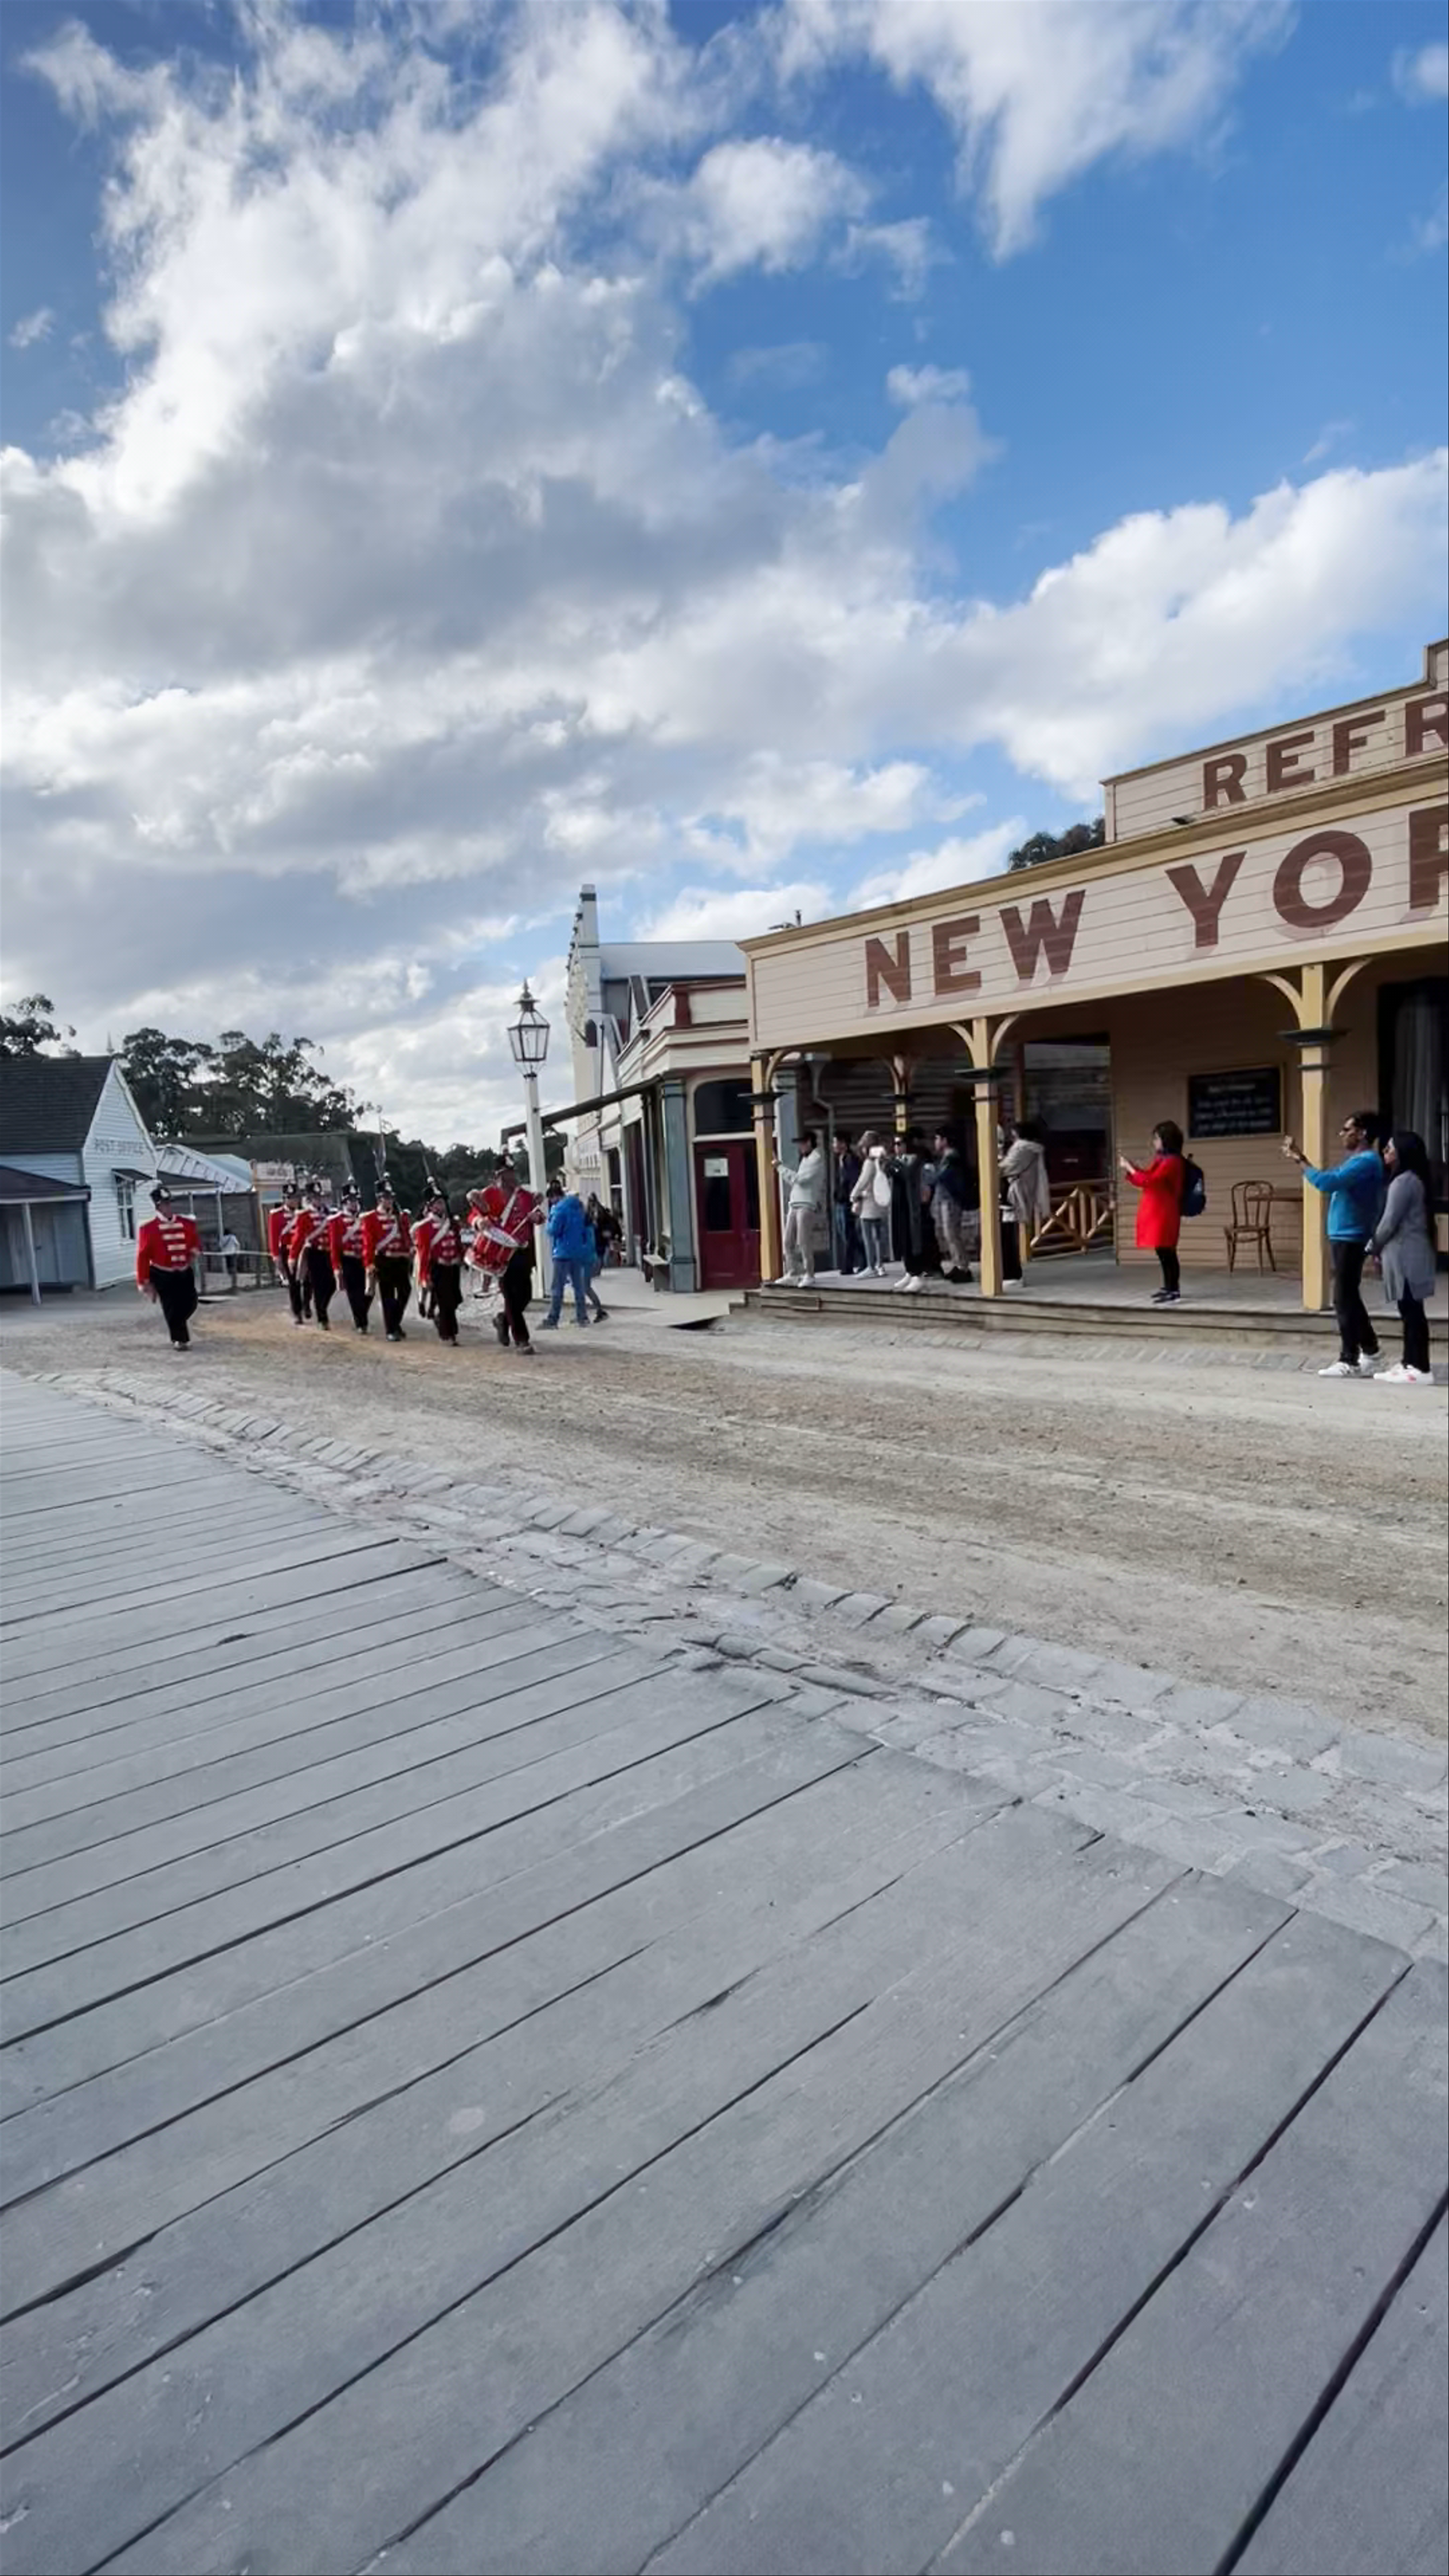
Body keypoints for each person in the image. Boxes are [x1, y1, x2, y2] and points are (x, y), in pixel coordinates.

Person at [1283, 1110, 1386, 1376]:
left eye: (1347, 1129)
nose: (1342, 1134)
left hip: (1353, 1236)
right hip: (1344, 1235)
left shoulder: (1366, 1162)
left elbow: (1328, 1183)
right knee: (1349, 1296)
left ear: (1362, 1133)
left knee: (1343, 1298)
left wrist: (1301, 1160)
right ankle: (1371, 1351)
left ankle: (1349, 1359)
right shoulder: (1356, 1161)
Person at [1368, 1130, 1437, 1384]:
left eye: (1390, 1147)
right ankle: (1410, 1362)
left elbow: (1389, 1222)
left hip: (1407, 1254)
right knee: (1408, 1309)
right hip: (1410, 1252)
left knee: (1412, 1311)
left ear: (1403, 1152)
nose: (1385, 1151)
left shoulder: (1403, 1182)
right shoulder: (1411, 1180)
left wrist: (1373, 1247)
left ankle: (1421, 1367)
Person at [473, 1174, 542, 1354]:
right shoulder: (489, 1194)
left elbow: (540, 1215)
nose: (512, 1177)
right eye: (507, 1173)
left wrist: (537, 1218)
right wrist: (479, 1222)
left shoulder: (525, 1196)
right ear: (499, 1176)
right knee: (510, 1297)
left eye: (512, 1172)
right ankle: (522, 1340)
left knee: (525, 1295)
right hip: (501, 1253)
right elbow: (474, 1215)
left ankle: (503, 1320)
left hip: (523, 1251)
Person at [1120, 1120, 1186, 1304]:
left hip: (1165, 1212)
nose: (1154, 1142)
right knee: (1162, 1250)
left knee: (1167, 1251)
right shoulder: (1162, 1159)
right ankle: (1168, 1286)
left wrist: (1130, 1168)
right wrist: (1133, 1170)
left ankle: (1174, 1289)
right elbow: (1147, 1179)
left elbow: (1151, 1182)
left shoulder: (1173, 1162)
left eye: (1157, 1138)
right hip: (1158, 1210)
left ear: (1167, 1140)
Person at [135, 1184, 202, 1350]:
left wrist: (194, 1252)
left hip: (184, 1272)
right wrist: (144, 1281)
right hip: (162, 1274)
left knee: (191, 1303)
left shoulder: (187, 1223)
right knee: (171, 1306)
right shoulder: (148, 1228)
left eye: (170, 1203)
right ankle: (180, 1340)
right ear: (158, 1207)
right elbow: (143, 1256)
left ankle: (179, 1331)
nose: (169, 1207)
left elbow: (195, 1243)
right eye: (165, 1204)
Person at [1001, 1118, 1052, 1278]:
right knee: (1009, 1236)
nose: (1012, 1136)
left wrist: (996, 1160)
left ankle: (1012, 1274)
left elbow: (1006, 1168)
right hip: (1019, 1193)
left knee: (1008, 1237)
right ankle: (1011, 1272)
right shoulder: (1031, 1149)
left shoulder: (1022, 1149)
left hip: (1013, 1195)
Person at [361, 1186, 413, 1341]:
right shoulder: (371, 1218)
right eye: (386, 1198)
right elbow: (368, 1243)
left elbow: (406, 1236)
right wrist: (369, 1263)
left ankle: (395, 1322)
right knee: (388, 1295)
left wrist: (410, 1248)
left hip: (401, 1259)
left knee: (406, 1291)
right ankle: (391, 1329)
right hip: (384, 1260)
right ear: (380, 1199)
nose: (390, 1201)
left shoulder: (400, 1217)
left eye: (391, 1198)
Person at [774, 1129, 825, 1285]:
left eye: (801, 1143)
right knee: (788, 1241)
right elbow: (796, 1181)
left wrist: (780, 1168)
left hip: (806, 1205)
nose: (799, 1147)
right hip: (795, 1204)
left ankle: (810, 1274)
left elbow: (801, 1180)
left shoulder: (816, 1158)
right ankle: (793, 1272)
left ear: (809, 1142)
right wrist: (783, 1170)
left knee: (803, 1241)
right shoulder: (806, 1159)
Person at [416, 1187, 465, 1344]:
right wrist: (425, 1276)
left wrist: (462, 1257)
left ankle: (441, 1321)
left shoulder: (452, 1223)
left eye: (443, 1202)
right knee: (445, 1302)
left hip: (453, 1267)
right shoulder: (424, 1227)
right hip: (438, 1268)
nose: (442, 1206)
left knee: (456, 1299)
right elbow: (424, 1254)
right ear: (430, 1207)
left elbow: (458, 1243)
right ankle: (449, 1334)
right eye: (438, 1203)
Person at [540, 1184, 594, 1327]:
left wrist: (548, 1221)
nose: (551, 1203)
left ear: (554, 1197)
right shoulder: (578, 1208)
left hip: (562, 1253)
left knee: (557, 1288)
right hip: (577, 1252)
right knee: (579, 1287)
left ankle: (553, 1319)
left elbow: (554, 1231)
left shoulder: (559, 1210)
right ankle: (582, 1317)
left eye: (551, 1200)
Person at [288, 1182, 336, 1330]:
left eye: (319, 1197)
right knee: (318, 1286)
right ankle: (323, 1318)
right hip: (314, 1253)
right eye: (315, 1197)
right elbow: (298, 1237)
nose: (318, 1200)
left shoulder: (329, 1213)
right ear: (309, 1199)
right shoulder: (304, 1215)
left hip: (328, 1252)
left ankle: (322, 1307)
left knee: (332, 1285)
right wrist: (293, 1257)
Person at [327, 1186, 372, 1333]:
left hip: (364, 1260)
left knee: (368, 1292)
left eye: (355, 1201)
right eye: (350, 1201)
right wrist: (336, 1267)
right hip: (348, 1259)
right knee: (354, 1293)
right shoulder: (337, 1221)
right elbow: (334, 1246)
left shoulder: (365, 1219)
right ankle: (361, 1323)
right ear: (345, 1203)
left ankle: (361, 1315)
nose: (353, 1204)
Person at [931, 1129, 974, 1283]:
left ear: (945, 1140)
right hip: (946, 1200)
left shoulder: (952, 1158)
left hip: (951, 1201)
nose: (935, 1142)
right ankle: (957, 1264)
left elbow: (943, 1178)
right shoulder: (947, 1158)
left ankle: (963, 1267)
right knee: (949, 1235)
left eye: (937, 1139)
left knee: (952, 1234)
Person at [890, 1129, 930, 1293]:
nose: (896, 1148)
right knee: (903, 1239)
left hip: (914, 1207)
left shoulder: (917, 1160)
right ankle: (909, 1271)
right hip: (900, 1206)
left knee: (914, 1241)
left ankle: (918, 1275)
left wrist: (895, 1166)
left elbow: (907, 1174)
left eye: (899, 1144)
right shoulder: (897, 1161)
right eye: (894, 1144)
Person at [851, 1132, 893, 1275]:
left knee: (868, 1237)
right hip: (881, 1201)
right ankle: (880, 1265)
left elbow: (863, 1181)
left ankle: (871, 1266)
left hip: (869, 1202)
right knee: (879, 1237)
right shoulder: (883, 1161)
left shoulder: (869, 1163)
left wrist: (854, 1195)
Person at [268, 1182, 308, 1323]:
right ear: (285, 1199)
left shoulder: (305, 1214)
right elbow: (274, 1236)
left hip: (304, 1251)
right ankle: (298, 1312)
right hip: (287, 1251)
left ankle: (307, 1304)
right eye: (290, 1198)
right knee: (294, 1283)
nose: (294, 1201)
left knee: (309, 1281)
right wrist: (276, 1255)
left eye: (296, 1198)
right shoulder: (276, 1215)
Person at [831, 1135, 864, 1276]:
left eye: (836, 1142)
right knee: (847, 1234)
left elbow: (854, 1180)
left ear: (844, 1144)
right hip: (841, 1201)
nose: (834, 1145)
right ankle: (864, 1260)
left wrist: (853, 1199)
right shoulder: (840, 1159)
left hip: (847, 1202)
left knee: (849, 1234)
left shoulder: (851, 1159)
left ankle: (851, 1265)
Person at [581, 1196, 609, 1319]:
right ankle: (592, 1312)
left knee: (585, 1287)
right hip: (588, 1259)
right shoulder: (590, 1227)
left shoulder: (586, 1230)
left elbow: (587, 1246)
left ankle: (599, 1312)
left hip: (586, 1260)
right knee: (584, 1287)